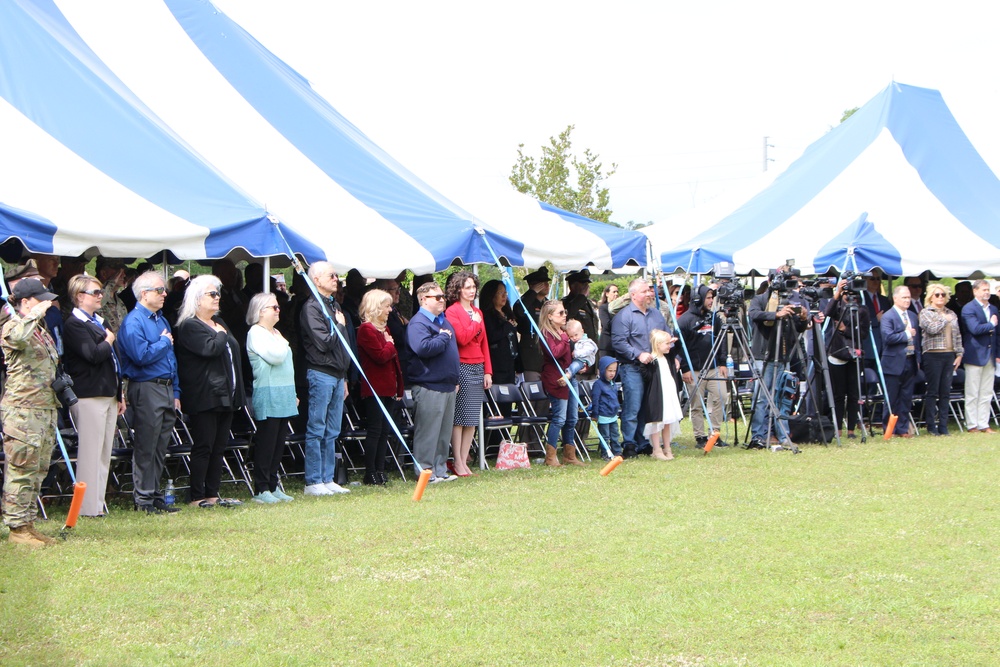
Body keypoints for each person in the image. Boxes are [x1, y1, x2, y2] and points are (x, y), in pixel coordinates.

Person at [175, 275, 246, 508]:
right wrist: (221, 333)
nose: (218, 298)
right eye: (212, 294)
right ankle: (197, 496)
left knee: (219, 446)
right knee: (203, 446)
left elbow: (234, 352)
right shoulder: (190, 326)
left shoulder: (220, 323)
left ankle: (213, 493)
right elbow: (211, 349)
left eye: (218, 294)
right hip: (205, 395)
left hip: (226, 394)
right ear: (196, 299)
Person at [2, 279, 61, 546]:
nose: (47, 304)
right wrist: (34, 314)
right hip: (23, 412)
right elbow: (16, 339)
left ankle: (28, 523)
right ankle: (16, 529)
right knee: (21, 469)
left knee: (38, 470)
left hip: (44, 408)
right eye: (40, 300)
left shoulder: (40, 329)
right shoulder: (13, 326)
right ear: (25, 303)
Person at [117, 271, 182, 514]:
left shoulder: (160, 320)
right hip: (146, 387)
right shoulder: (134, 321)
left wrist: (175, 390)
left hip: (165, 388)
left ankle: (155, 495)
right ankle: (143, 500)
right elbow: (140, 355)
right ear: (144, 294)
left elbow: (171, 359)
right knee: (146, 444)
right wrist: (164, 342)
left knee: (160, 445)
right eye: (159, 290)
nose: (165, 294)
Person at [62, 275, 125, 517]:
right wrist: (109, 339)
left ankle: (97, 505)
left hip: (108, 393)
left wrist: (120, 394)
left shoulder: (100, 321)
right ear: (79, 296)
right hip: (89, 394)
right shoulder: (74, 324)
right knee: (89, 453)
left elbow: (114, 363)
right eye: (95, 292)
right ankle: (87, 508)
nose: (100, 296)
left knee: (103, 452)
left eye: (100, 292)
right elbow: (94, 355)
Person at [299, 261, 352, 496]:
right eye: (331, 275)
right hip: (321, 372)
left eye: (336, 275)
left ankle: (328, 477)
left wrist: (346, 377)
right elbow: (324, 343)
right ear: (316, 280)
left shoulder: (334, 304)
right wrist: (339, 327)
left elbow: (344, 347)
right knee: (317, 427)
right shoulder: (312, 307)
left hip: (338, 374)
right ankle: (313, 480)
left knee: (333, 429)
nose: (336, 278)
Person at [747, 270, 810, 448]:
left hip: (783, 355)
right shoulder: (760, 299)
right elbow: (754, 314)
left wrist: (803, 319)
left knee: (782, 396)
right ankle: (758, 436)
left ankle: (783, 435)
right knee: (761, 398)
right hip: (764, 355)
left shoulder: (790, 302)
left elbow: (798, 328)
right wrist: (776, 314)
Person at [245, 292, 297, 503]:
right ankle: (261, 488)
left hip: (284, 392)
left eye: (278, 307)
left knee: (278, 443)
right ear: (260, 311)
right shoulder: (256, 332)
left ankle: (273, 485)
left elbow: (288, 365)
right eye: (273, 307)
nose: (278, 310)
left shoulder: (276, 332)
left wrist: (293, 393)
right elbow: (276, 357)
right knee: (267, 442)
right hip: (268, 392)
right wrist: (282, 344)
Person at [406, 281, 460, 483]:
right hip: (429, 384)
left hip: (447, 384)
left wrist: (454, 378)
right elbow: (423, 348)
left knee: (443, 433)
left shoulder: (442, 322)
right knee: (428, 432)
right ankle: (425, 471)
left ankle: (439, 469)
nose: (442, 300)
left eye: (443, 296)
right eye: (437, 297)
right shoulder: (419, 323)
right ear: (423, 300)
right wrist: (443, 338)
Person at [611, 278, 667, 458]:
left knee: (648, 406)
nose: (649, 294)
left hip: (653, 367)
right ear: (633, 295)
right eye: (645, 291)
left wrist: (671, 348)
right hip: (632, 367)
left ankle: (644, 442)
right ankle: (629, 443)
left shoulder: (656, 314)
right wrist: (638, 354)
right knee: (633, 406)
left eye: (649, 291)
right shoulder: (624, 316)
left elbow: (667, 334)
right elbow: (618, 342)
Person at [444, 271, 492, 477]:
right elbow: (462, 338)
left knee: (472, 418)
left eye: (473, 287)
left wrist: (488, 371)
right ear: (458, 290)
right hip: (462, 365)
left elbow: (484, 343)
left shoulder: (477, 312)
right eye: (467, 287)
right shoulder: (452, 312)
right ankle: (457, 460)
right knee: (459, 418)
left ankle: (464, 461)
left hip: (477, 365)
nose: (471, 291)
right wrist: (473, 323)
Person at [356, 289, 404, 486]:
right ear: (376, 307)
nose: (390, 310)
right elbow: (381, 356)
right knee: (375, 430)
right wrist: (390, 345)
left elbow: (393, 361)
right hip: (375, 387)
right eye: (386, 306)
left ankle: (380, 470)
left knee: (385, 430)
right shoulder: (366, 330)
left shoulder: (385, 330)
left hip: (388, 387)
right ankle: (370, 472)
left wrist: (399, 387)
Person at [677, 286, 729, 448]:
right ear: (698, 299)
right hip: (694, 370)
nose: (711, 301)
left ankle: (715, 433)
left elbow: (722, 340)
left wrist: (722, 362)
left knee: (721, 397)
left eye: (712, 297)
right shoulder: (684, 320)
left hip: (714, 368)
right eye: (708, 297)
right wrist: (684, 368)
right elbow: (679, 346)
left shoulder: (715, 318)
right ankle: (699, 436)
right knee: (697, 404)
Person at [823, 280, 871, 439]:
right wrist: (837, 293)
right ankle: (837, 429)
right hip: (837, 353)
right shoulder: (837, 307)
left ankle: (851, 429)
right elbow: (827, 313)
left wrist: (845, 330)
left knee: (853, 394)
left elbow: (863, 334)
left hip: (855, 355)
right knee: (838, 395)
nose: (851, 297)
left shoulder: (862, 310)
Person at [538, 300, 583, 466]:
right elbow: (554, 353)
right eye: (561, 313)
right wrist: (565, 338)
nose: (565, 316)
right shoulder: (546, 333)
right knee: (559, 418)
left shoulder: (562, 333)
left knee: (572, 418)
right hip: (556, 380)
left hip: (569, 377)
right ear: (550, 316)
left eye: (564, 312)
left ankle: (569, 455)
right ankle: (550, 456)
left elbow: (566, 355)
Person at [919, 284, 963, 436]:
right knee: (933, 391)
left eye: (943, 295)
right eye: (937, 295)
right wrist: (944, 320)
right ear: (931, 296)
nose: (940, 297)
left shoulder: (951, 313)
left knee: (945, 391)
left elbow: (957, 335)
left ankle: (943, 425)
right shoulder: (926, 313)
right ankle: (931, 425)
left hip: (949, 354)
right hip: (933, 354)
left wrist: (959, 354)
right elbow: (931, 329)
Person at [880, 286, 921, 438]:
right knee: (891, 398)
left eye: (908, 297)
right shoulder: (888, 316)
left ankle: (903, 429)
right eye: (904, 297)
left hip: (910, 360)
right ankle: (889, 429)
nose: (907, 300)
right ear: (895, 298)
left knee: (906, 397)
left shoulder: (912, 315)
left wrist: (917, 358)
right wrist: (906, 334)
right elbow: (888, 338)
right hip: (893, 363)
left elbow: (917, 340)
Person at [959, 279, 999, 433]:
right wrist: (991, 324)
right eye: (983, 290)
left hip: (990, 354)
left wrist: (998, 354)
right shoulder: (969, 308)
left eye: (988, 289)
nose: (986, 292)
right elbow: (974, 329)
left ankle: (984, 423)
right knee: (972, 391)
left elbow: (997, 334)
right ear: (975, 291)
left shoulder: (993, 309)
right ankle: (972, 424)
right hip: (975, 354)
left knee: (987, 391)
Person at [643, 329, 683, 461]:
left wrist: (674, 341)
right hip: (658, 395)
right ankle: (657, 448)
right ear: (658, 344)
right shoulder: (652, 360)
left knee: (668, 421)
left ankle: (667, 447)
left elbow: (679, 348)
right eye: (666, 344)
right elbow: (645, 375)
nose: (669, 346)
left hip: (669, 392)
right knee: (656, 422)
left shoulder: (668, 357)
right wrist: (644, 363)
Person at [515, 267, 550, 381]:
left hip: (545, 355)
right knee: (533, 390)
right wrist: (532, 292)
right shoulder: (526, 302)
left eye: (547, 282)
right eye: (542, 283)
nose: (546, 285)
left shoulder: (547, 303)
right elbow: (518, 310)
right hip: (531, 356)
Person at [480, 279, 518, 386]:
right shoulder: (486, 315)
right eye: (500, 293)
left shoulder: (507, 313)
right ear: (491, 295)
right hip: (497, 364)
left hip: (510, 363)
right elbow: (492, 336)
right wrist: (507, 325)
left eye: (505, 293)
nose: (504, 296)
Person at [562, 270, 598, 375]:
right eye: (583, 284)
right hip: (576, 358)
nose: (586, 287)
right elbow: (567, 315)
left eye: (587, 284)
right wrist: (581, 297)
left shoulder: (588, 303)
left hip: (590, 358)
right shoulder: (566, 303)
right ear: (572, 286)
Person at [588, 356, 621, 458]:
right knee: (605, 436)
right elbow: (595, 400)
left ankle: (617, 452)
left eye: (614, 371)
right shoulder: (598, 385)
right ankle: (605, 454)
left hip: (613, 415)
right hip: (603, 415)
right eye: (609, 370)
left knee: (615, 435)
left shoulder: (613, 384)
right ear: (602, 370)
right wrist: (595, 414)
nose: (612, 373)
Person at [597, 283, 619, 361]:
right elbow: (606, 324)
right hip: (607, 345)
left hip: (618, 345)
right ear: (607, 294)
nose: (616, 294)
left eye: (617, 292)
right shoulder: (603, 308)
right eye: (614, 292)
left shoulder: (621, 308)